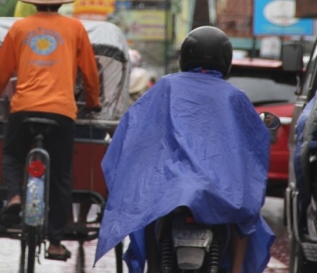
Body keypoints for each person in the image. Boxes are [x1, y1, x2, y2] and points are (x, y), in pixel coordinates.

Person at [95, 26, 274, 273]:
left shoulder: (165, 87)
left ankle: (154, 267)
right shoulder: (234, 96)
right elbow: (253, 142)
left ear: (185, 56)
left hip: (171, 186)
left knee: (147, 214)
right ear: (226, 58)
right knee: (245, 215)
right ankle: (235, 269)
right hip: (219, 189)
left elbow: (135, 128)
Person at [0, 0, 101, 262]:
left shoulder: (19, 29)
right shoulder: (75, 29)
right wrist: (93, 101)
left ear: (32, 3)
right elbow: (90, 74)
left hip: (24, 109)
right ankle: (56, 242)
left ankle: (15, 196)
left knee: (13, 156)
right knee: (60, 176)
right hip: (62, 113)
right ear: (61, 4)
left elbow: (0, 72)